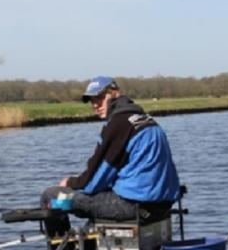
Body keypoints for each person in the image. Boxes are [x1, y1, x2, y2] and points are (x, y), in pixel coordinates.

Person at [41, 76, 181, 237]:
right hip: (162, 206)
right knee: (98, 204)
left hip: (132, 207)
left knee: (51, 196)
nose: (95, 105)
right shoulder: (146, 120)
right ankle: (87, 247)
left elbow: (93, 182)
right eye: (92, 100)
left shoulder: (119, 124)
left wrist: (70, 183)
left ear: (115, 93)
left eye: (100, 98)